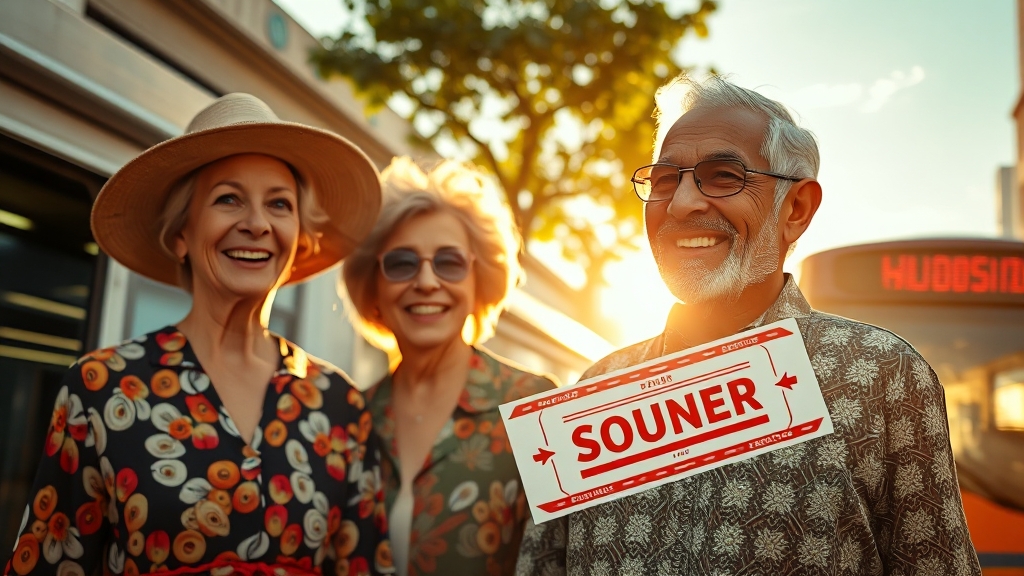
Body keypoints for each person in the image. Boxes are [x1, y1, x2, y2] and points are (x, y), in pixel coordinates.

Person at [515, 75, 982, 575]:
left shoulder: (880, 376)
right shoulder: (595, 390)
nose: (682, 203)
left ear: (796, 209)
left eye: (722, 176)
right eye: (666, 179)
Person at [4, 93, 393, 576]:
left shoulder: (340, 406)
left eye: (279, 203)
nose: (256, 224)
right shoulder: (100, 389)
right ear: (181, 234)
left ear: (299, 238)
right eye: (228, 199)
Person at [342, 158, 558, 576]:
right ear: (374, 288)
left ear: (480, 283)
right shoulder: (352, 418)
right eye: (402, 263)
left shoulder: (533, 407)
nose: (426, 282)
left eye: (449, 262)